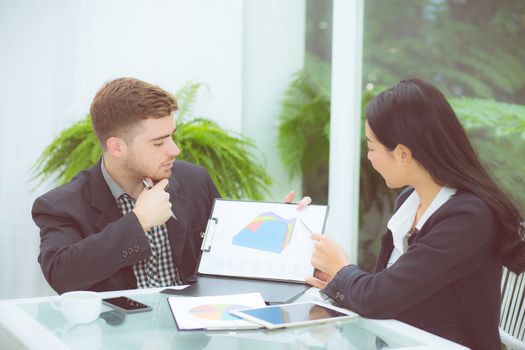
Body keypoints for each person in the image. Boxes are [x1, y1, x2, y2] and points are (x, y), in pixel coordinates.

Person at [32, 77, 309, 294]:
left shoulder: (194, 181)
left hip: (194, 333)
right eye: (158, 142)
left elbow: (225, 251)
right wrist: (137, 222)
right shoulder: (62, 205)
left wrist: (275, 225)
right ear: (116, 147)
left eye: (172, 136)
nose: (174, 150)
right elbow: (62, 276)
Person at [307, 78, 525, 349]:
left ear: (402, 154)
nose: (370, 157)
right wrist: (338, 278)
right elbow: (387, 292)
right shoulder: (409, 202)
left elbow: (377, 299)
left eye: (372, 147)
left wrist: (343, 272)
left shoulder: (468, 218)